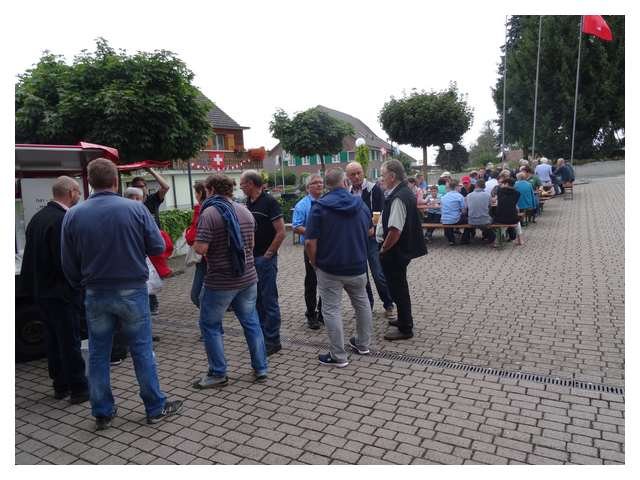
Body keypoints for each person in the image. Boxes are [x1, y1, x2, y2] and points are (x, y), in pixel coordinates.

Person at [61, 158, 183, 430]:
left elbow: (67, 261)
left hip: (95, 292)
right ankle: (155, 407)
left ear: (90, 181)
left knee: (98, 353)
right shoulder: (136, 209)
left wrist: (81, 284)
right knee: (142, 349)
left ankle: (102, 411)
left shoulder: (73, 214)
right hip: (132, 290)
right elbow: (156, 246)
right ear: (115, 181)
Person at [192, 174, 268, 387]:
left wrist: (196, 243)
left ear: (210, 190)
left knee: (210, 324)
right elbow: (251, 245)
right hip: (248, 277)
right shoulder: (244, 210)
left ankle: (218, 373)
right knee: (251, 322)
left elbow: (201, 249)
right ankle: (261, 368)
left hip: (221, 281)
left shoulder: (209, 213)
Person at [20, 176, 89, 404]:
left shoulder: (38, 217)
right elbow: (64, 261)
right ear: (70, 193)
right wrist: (77, 284)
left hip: (42, 292)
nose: (79, 196)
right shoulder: (62, 220)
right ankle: (78, 388)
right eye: (78, 191)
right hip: (61, 292)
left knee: (52, 339)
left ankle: (60, 385)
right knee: (69, 340)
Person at [304, 168, 373, 367]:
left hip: (330, 268)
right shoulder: (360, 204)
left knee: (331, 310)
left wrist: (314, 263)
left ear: (326, 185)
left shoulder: (319, 207)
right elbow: (370, 230)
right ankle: (363, 344)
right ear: (345, 182)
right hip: (357, 265)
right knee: (362, 304)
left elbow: (310, 242)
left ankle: (338, 355)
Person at [377, 159, 427, 341]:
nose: (381, 179)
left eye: (383, 175)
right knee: (399, 287)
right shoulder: (404, 192)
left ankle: (406, 328)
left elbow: (395, 230)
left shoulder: (399, 197)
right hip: (400, 250)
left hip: (395, 251)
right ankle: (404, 319)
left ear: (392, 176)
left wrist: (383, 249)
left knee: (398, 288)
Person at [240, 170, 286, 356]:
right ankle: (262, 337)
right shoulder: (247, 203)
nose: (241, 187)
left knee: (269, 300)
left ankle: (273, 341)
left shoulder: (269, 202)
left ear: (251, 184)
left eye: (242, 184)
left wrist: (269, 254)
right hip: (252, 260)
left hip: (265, 260)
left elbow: (281, 232)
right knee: (256, 299)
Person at [345, 162, 396, 319]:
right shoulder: (348, 192)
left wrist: (373, 226)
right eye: (352, 174)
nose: (356, 176)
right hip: (355, 240)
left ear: (363, 172)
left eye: (358, 172)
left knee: (378, 273)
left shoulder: (374, 189)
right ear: (348, 176)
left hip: (371, 238)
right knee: (362, 275)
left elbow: (380, 211)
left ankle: (388, 304)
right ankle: (367, 306)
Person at [131, 169, 170, 315]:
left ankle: (152, 302)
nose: (142, 188)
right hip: (138, 245)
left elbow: (166, 187)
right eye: (138, 187)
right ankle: (147, 303)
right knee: (144, 274)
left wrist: (151, 171)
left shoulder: (152, 200)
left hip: (153, 244)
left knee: (153, 274)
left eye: (143, 186)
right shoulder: (130, 204)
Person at [292, 174, 325, 329]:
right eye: (315, 183)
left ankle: (323, 312)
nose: (319, 185)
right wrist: (313, 232)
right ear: (308, 187)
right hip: (311, 246)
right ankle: (311, 314)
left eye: (321, 182)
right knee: (311, 281)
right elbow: (296, 226)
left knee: (327, 280)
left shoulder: (327, 202)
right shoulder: (302, 205)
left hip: (327, 247)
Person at [185, 181, 208, 308]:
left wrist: (188, 232)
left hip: (204, 256)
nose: (195, 195)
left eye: (196, 192)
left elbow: (191, 237)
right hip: (213, 256)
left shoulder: (201, 209)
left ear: (200, 193)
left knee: (196, 295)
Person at [462, 179, 496, 246]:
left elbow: (465, 208)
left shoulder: (469, 196)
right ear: (484, 186)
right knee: (490, 219)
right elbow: (490, 207)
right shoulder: (487, 195)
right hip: (484, 220)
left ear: (475, 186)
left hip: (471, 220)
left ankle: (465, 238)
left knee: (470, 221)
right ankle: (489, 237)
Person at [493, 176, 523, 245]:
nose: (502, 185)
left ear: (506, 184)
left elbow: (496, 199)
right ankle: (520, 240)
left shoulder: (499, 191)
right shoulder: (517, 193)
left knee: (502, 223)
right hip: (513, 218)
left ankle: (498, 240)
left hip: (500, 218)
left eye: (503, 183)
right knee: (517, 222)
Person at [440, 178, 467, 246]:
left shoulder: (443, 197)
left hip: (444, 219)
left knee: (450, 219)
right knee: (470, 221)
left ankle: (451, 240)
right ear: (456, 187)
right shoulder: (459, 196)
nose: (460, 187)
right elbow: (464, 211)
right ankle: (465, 238)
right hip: (455, 219)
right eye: (459, 186)